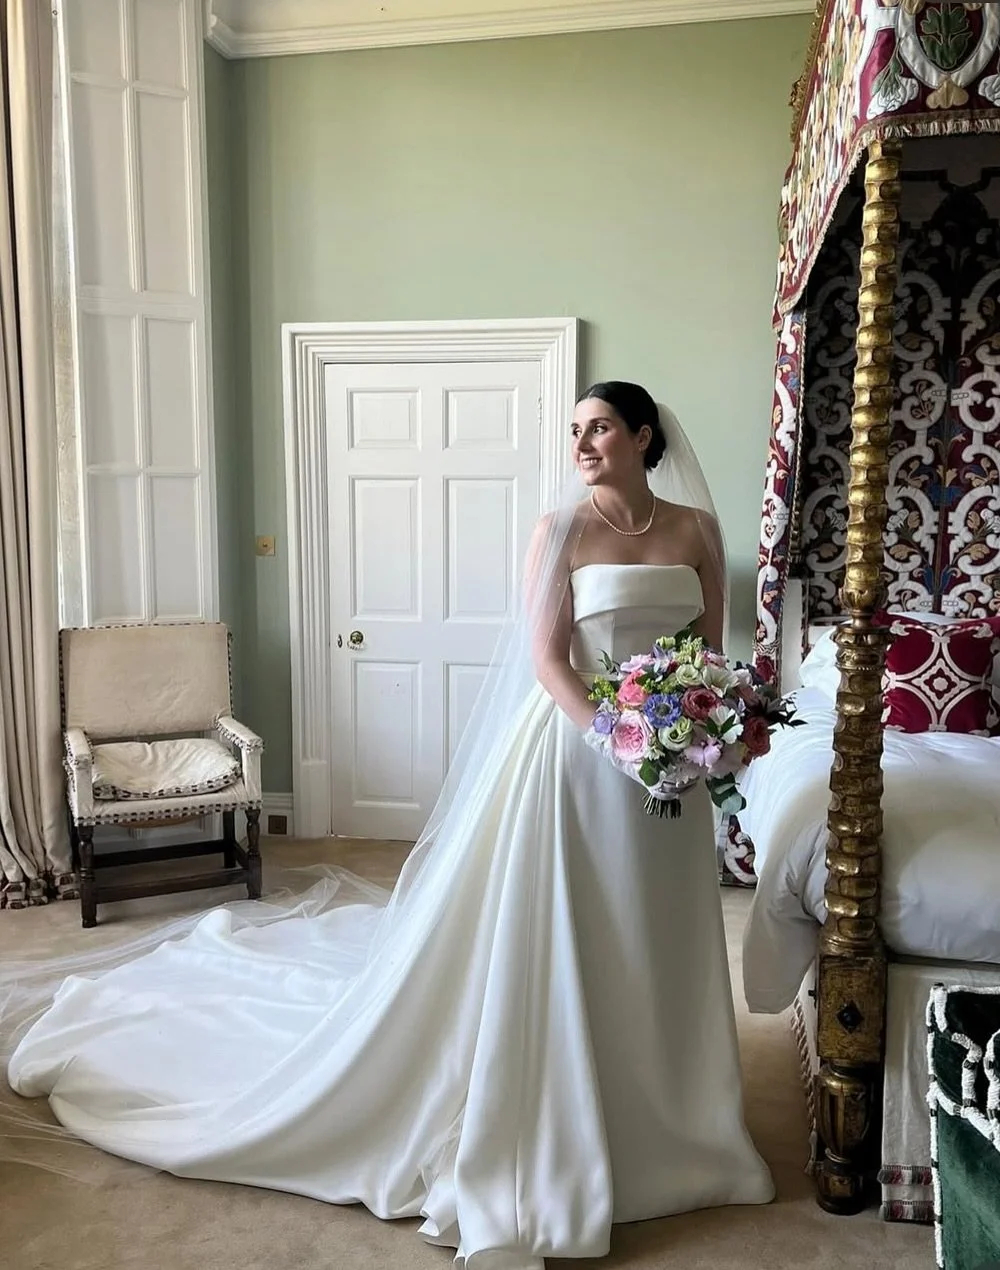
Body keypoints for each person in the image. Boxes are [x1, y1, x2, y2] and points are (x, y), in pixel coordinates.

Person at [4, 382, 774, 1270]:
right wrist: (615, 736)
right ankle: (572, 1111)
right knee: (579, 927)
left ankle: (676, 1117)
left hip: (673, 764)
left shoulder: (696, 530)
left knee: (659, 929)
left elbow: (708, 655)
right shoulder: (559, 530)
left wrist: (707, 730)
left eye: (599, 428)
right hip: (578, 755)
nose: (583, 443)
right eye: (574, 430)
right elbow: (548, 659)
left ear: (642, 436)